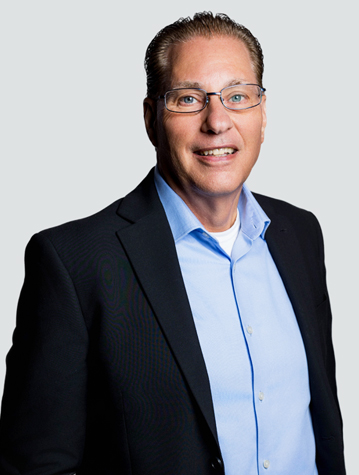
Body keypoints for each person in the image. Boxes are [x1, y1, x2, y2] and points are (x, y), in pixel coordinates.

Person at [0, 12, 345, 475]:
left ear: (263, 113)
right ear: (151, 118)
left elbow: (321, 425)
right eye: (188, 99)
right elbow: (35, 466)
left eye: (238, 96)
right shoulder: (74, 263)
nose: (217, 121)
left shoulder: (300, 234)